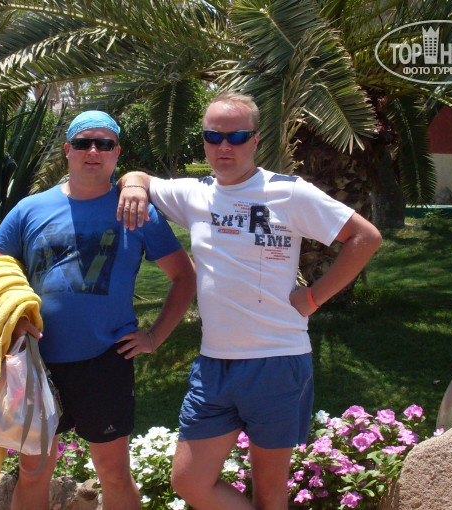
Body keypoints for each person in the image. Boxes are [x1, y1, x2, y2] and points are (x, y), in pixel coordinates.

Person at [117, 92, 382, 510]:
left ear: (256, 140)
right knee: (189, 481)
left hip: (277, 360)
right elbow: (140, 178)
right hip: (214, 365)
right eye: (213, 136)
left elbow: (365, 237)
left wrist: (313, 297)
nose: (224, 146)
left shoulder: (288, 193)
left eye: (237, 136)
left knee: (270, 493)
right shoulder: (194, 194)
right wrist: (133, 184)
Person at [0, 110, 196, 510]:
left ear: (117, 152)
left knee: (113, 472)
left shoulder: (137, 210)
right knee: (33, 471)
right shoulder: (29, 209)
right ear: (68, 150)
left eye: (104, 144)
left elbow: (184, 277)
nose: (93, 151)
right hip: (38, 361)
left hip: (106, 360)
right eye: (83, 143)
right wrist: (13, 320)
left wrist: (154, 337)